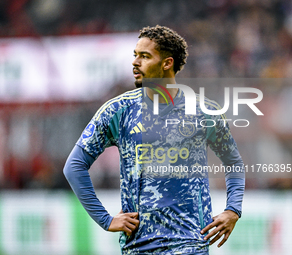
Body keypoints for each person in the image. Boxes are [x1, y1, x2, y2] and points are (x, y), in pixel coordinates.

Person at [64, 25, 245, 255]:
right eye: (135, 55)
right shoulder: (118, 111)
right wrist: (105, 219)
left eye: (145, 56)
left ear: (167, 63)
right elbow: (74, 165)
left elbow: (234, 163)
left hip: (190, 246)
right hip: (139, 247)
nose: (135, 62)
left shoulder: (203, 111)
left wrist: (233, 210)